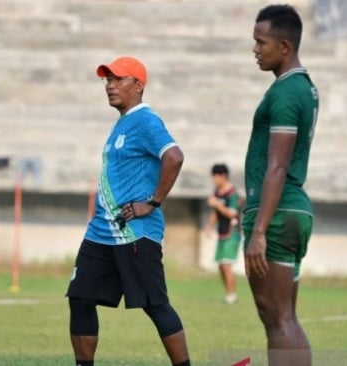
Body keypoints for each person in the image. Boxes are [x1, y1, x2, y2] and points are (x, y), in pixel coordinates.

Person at [66, 56, 191, 366]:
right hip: (101, 232)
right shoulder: (123, 122)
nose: (110, 86)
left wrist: (153, 202)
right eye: (107, 80)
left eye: (118, 79)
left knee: (155, 304)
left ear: (138, 85)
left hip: (135, 232)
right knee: (80, 298)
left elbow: (174, 157)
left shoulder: (146, 120)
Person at [243, 4, 319, 366]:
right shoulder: (301, 87)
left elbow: (277, 165)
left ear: (285, 47)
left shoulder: (287, 92)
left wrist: (259, 231)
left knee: (276, 318)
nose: (256, 49)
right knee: (284, 316)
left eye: (261, 42)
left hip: (277, 212)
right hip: (291, 209)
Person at [203, 163, 242, 305]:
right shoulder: (217, 191)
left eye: (215, 176)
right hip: (222, 231)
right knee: (220, 265)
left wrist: (217, 204)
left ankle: (232, 295)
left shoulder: (232, 193)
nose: (214, 179)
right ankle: (228, 294)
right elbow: (216, 212)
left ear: (223, 176)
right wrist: (209, 226)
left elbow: (232, 213)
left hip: (232, 232)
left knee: (226, 265)